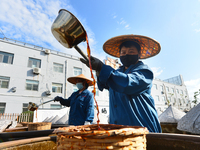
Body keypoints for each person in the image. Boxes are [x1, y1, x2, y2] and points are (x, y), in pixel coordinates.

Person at [80, 35, 162, 132]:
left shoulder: (144, 71)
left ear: (139, 54)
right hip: (118, 129)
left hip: (142, 126)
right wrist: (99, 70)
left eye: (131, 52)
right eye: (123, 52)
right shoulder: (117, 72)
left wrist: (101, 67)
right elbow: (105, 83)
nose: (126, 55)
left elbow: (127, 83)